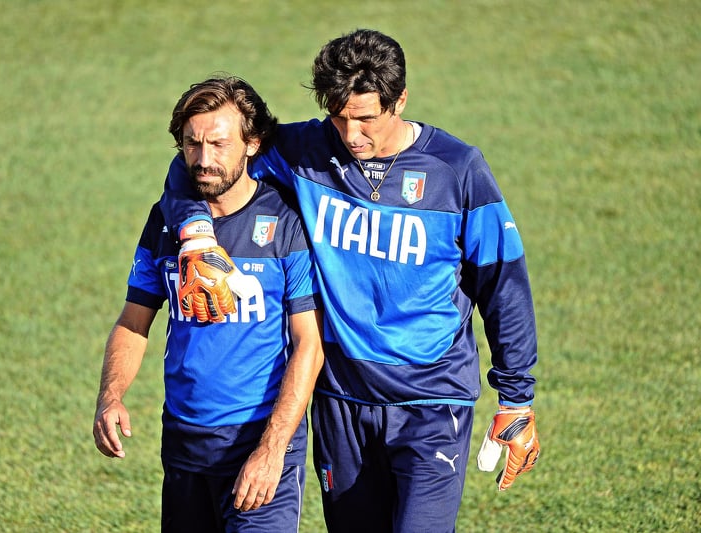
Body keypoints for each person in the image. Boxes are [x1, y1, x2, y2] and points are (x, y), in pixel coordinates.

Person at [164, 29, 540, 532]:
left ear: (399, 100)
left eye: (366, 118)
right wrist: (195, 231)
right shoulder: (306, 150)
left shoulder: (457, 169)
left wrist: (516, 396)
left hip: (432, 402)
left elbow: (503, 283)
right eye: (339, 116)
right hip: (342, 402)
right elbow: (205, 164)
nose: (351, 134)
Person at [92, 76, 324, 533]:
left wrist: (272, 448)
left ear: (252, 144)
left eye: (218, 144)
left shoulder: (286, 222)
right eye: (192, 145)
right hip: (184, 443)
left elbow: (309, 345)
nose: (203, 160)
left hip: (258, 438)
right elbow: (134, 320)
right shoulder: (165, 222)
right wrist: (110, 395)